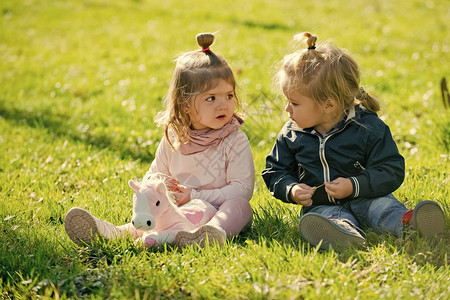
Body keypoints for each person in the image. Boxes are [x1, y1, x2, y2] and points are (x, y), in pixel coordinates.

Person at [65, 33, 255, 248]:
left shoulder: (234, 139)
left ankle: (211, 235)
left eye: (229, 96)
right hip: (178, 213)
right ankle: (115, 233)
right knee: (156, 208)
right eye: (211, 98)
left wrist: (195, 194)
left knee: (239, 205)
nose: (223, 105)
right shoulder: (174, 138)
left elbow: (242, 188)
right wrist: (160, 190)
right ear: (184, 105)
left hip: (217, 211)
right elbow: (155, 175)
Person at [261, 32, 446, 250]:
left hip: (368, 196)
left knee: (384, 209)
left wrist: (353, 185)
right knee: (327, 217)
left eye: (294, 103)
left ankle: (412, 224)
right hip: (322, 204)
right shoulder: (292, 133)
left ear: (328, 105)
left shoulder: (367, 127)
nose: (287, 109)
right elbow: (275, 171)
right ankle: (343, 232)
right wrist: (291, 189)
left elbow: (391, 169)